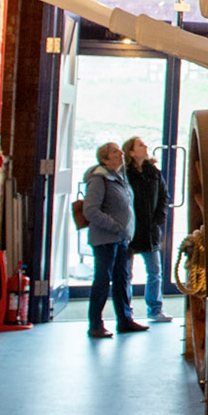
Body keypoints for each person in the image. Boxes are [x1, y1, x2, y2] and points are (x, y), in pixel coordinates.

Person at [82, 142, 143, 337]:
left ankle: (124, 320)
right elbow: (90, 210)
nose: (121, 153)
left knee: (122, 279)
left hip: (121, 238)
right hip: (105, 239)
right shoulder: (99, 179)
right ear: (105, 159)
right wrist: (115, 226)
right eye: (115, 151)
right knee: (102, 279)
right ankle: (95, 324)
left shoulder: (119, 177)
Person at [122, 136, 172, 323]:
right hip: (130, 229)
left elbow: (164, 197)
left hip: (150, 229)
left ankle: (155, 309)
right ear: (131, 152)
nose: (145, 147)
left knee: (155, 271)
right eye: (140, 145)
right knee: (126, 273)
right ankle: (126, 312)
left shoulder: (154, 172)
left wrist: (159, 218)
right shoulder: (125, 173)